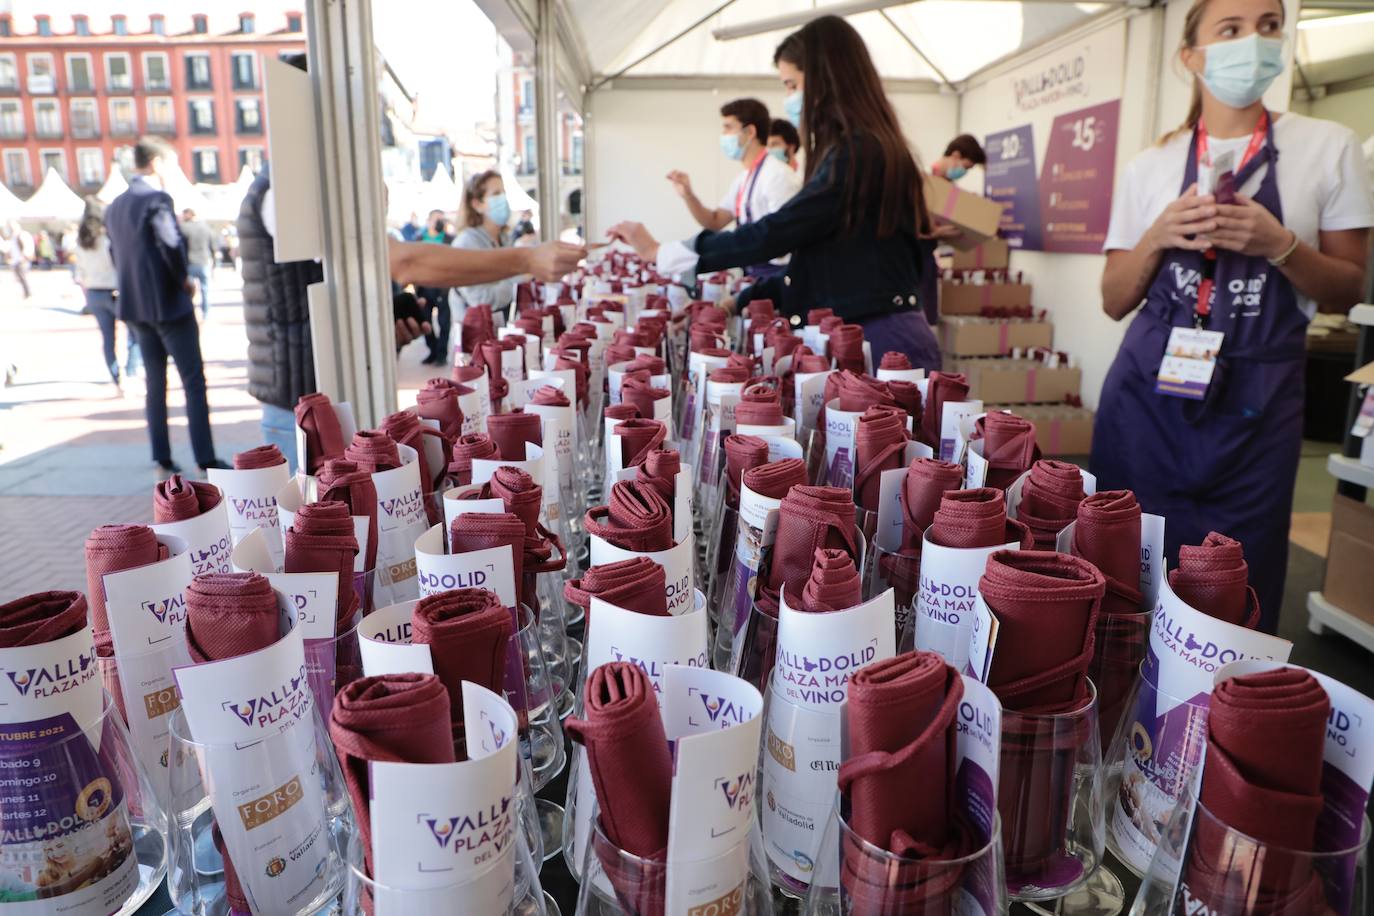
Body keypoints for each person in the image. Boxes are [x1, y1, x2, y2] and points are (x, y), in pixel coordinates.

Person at [1092, 0, 1374, 634]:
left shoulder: (1328, 148)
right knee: (1124, 574)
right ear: (1191, 56)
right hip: (1147, 398)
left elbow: (1345, 288)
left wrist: (1281, 245)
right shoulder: (1151, 166)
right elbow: (1112, 299)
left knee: (1236, 586)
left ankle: (1223, 721)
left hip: (1258, 405)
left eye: (1270, 25)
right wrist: (1160, 235)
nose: (1256, 41)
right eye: (1232, 29)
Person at [610, 16, 941, 370]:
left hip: (885, 345)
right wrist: (737, 302)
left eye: (791, 85)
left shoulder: (859, 152)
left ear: (825, 80)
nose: (790, 99)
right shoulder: (863, 149)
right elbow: (820, 262)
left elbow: (777, 233)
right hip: (871, 337)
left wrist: (666, 252)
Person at [105, 137, 227, 474]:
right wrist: (183, 280)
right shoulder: (157, 199)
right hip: (168, 305)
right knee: (193, 381)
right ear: (157, 163)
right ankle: (205, 456)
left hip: (135, 306)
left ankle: (161, 455)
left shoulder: (115, 205)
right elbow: (172, 245)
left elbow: (115, 254)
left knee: (155, 383)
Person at [665, 98, 801, 278]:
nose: (723, 134)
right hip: (751, 271)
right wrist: (689, 196)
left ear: (750, 131)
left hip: (776, 274)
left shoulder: (778, 175)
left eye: (728, 127)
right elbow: (715, 221)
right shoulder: (744, 178)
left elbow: (785, 239)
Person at [73, 201, 140, 394]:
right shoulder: (107, 239)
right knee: (134, 332)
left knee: (108, 338)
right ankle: (130, 371)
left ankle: (116, 377)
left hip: (94, 293)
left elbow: (80, 272)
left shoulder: (81, 242)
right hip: (114, 290)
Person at [449, 170, 515, 328]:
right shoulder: (466, 244)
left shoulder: (505, 239)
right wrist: (515, 282)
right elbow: (480, 299)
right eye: (496, 194)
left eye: (504, 192)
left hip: (500, 332)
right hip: (474, 339)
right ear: (477, 204)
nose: (503, 199)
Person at [417, 209, 454, 366]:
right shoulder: (419, 240)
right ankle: (432, 350)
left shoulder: (449, 240)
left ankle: (441, 354)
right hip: (425, 287)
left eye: (442, 220)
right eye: (436, 219)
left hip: (443, 286)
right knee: (425, 322)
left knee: (444, 322)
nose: (439, 223)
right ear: (429, 221)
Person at [181, 208, 215, 319]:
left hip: (190, 262)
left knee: (188, 291)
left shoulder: (184, 227)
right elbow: (212, 244)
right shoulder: (205, 227)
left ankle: (189, 312)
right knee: (205, 289)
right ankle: (206, 313)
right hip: (204, 261)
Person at [7, 222, 33, 298]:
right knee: (19, 277)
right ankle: (26, 292)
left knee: (22, 277)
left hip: (21, 259)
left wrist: (24, 256)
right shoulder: (13, 236)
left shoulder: (21, 235)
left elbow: (25, 246)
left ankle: (27, 293)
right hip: (16, 259)